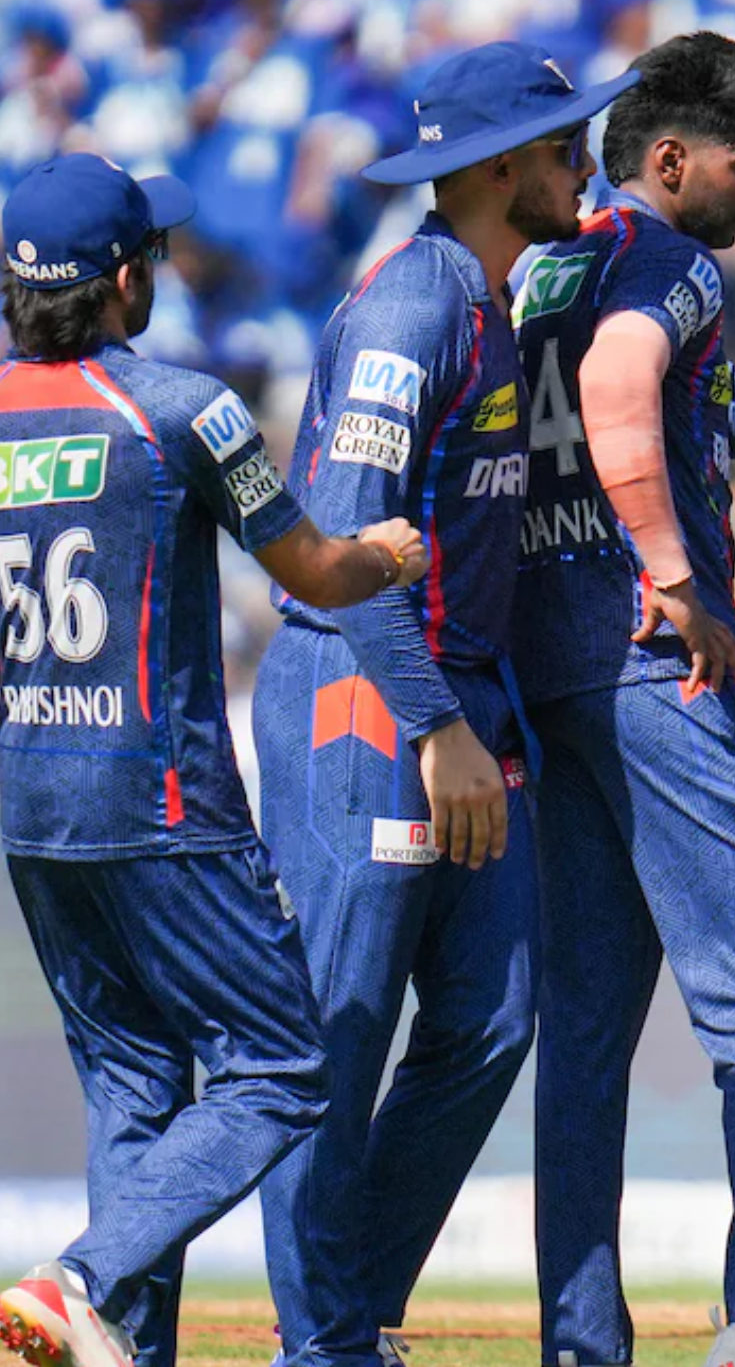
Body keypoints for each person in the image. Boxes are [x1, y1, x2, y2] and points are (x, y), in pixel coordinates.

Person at [0, 155, 425, 1367]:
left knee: (133, 1079)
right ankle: (79, 1277)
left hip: (30, 799)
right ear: (127, 280)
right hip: (159, 797)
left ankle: (113, 1341)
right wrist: (388, 552)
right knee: (282, 1067)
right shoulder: (186, 408)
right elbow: (317, 574)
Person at [253, 42, 636, 1367]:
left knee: (490, 1015)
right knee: (341, 1031)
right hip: (364, 693)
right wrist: (436, 722)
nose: (584, 165)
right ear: (497, 166)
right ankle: (325, 1342)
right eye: (566, 146)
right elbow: (339, 547)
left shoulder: (493, 301)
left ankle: (345, 1308)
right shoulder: (411, 309)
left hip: (456, 698)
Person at [506, 32, 735, 1367]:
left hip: (544, 667)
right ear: (673, 159)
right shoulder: (665, 259)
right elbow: (622, 382)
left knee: (583, 1032)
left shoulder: (539, 265)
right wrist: (675, 575)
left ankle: (581, 1339)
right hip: (655, 661)